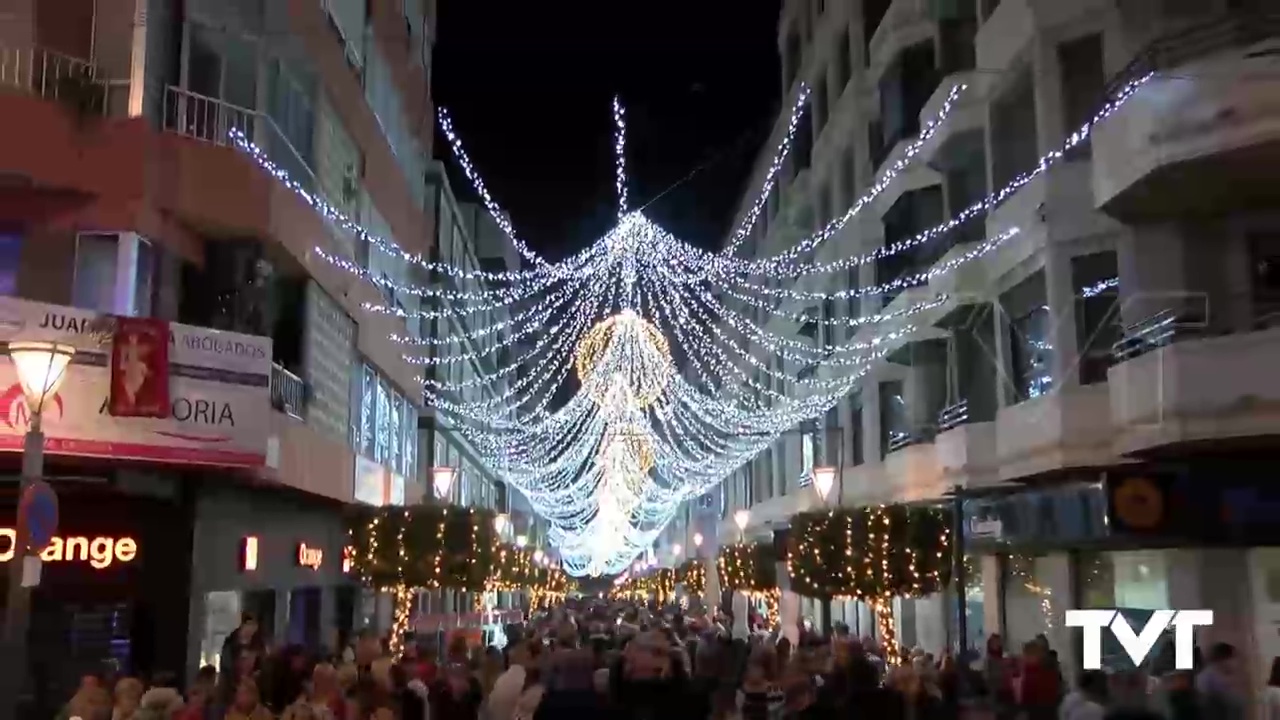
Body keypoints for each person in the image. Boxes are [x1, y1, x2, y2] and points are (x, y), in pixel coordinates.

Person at [1196, 642, 1245, 720]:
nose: (1235, 662)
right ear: (1224, 658)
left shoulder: (1216, 673)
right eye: (1233, 657)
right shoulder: (1210, 675)